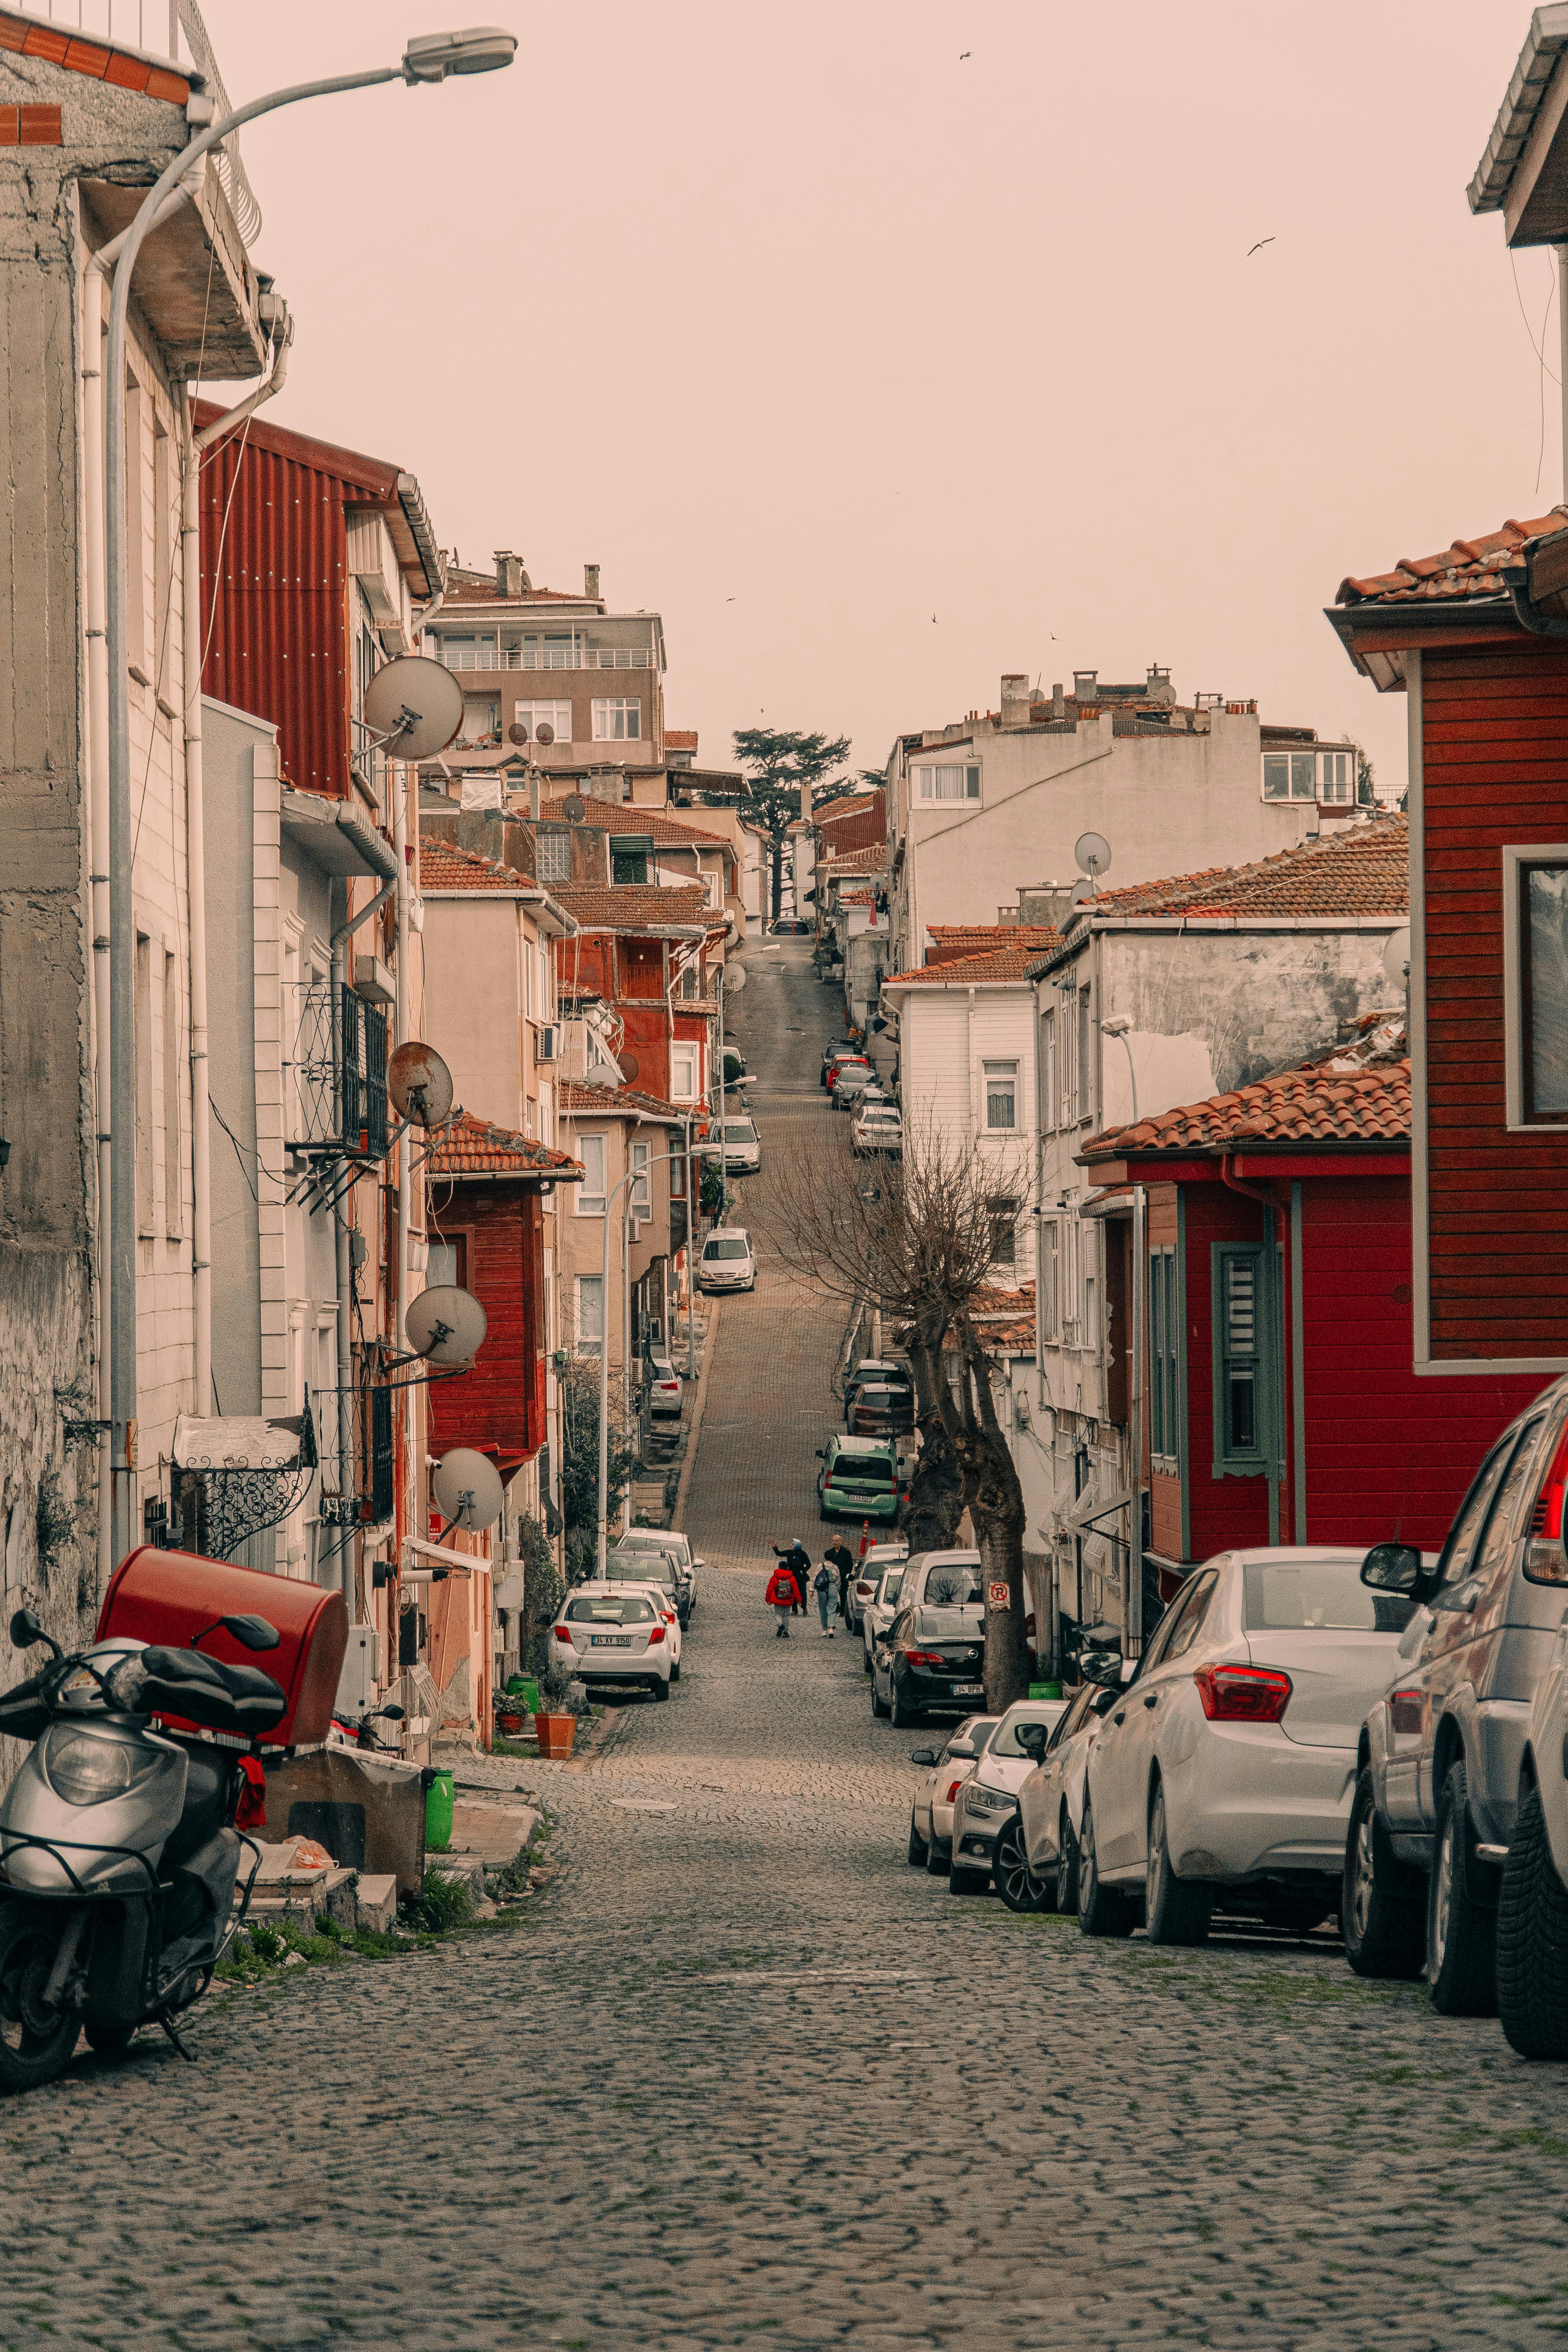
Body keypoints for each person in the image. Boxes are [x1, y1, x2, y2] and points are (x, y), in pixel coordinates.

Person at [771, 1535, 811, 1617]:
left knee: (802, 1593)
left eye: (793, 1544)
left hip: (800, 1577)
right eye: (791, 1544)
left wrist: (803, 1571)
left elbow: (809, 1565)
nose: (791, 1546)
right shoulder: (789, 1552)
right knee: (792, 1592)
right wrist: (775, 1547)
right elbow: (779, 1554)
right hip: (791, 1576)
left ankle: (804, 1608)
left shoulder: (803, 1554)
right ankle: (795, 1610)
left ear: (797, 1546)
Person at [765, 1555, 802, 1637]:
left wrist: (768, 1599)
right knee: (786, 1615)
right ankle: (786, 1632)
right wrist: (799, 1601)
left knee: (778, 1614)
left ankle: (780, 1624)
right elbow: (796, 1590)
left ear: (779, 1568)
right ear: (787, 1568)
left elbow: (770, 1589)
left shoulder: (775, 1578)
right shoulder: (792, 1578)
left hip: (778, 1600)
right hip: (788, 1600)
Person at [825, 1536, 855, 1622]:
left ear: (840, 1542)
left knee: (843, 1595)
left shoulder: (846, 1552)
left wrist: (846, 1574)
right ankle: (836, 1608)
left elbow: (850, 1565)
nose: (835, 1543)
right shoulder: (830, 1552)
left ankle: (843, 1611)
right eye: (834, 1541)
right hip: (833, 1577)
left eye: (837, 1541)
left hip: (842, 1577)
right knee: (831, 1594)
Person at [812, 1559, 837, 1637]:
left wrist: (813, 1589)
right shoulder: (836, 1567)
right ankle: (831, 1628)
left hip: (822, 1589)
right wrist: (837, 1589)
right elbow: (839, 1580)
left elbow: (816, 1578)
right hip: (833, 1587)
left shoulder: (821, 1566)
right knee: (832, 1608)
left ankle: (825, 1630)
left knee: (823, 1609)